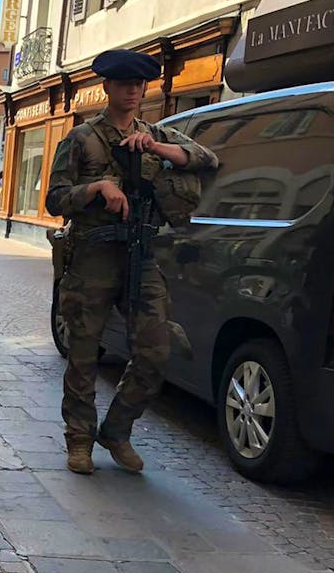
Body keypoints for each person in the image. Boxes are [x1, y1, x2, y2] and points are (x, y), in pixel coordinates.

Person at [45, 49, 218, 475]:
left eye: (139, 85)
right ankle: (80, 440)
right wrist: (98, 187)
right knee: (84, 353)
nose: (133, 92)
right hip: (93, 255)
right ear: (107, 87)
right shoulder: (82, 139)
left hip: (141, 254)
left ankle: (117, 430)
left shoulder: (156, 134)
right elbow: (53, 200)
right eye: (124, 84)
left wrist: (156, 145)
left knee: (157, 349)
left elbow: (207, 160)